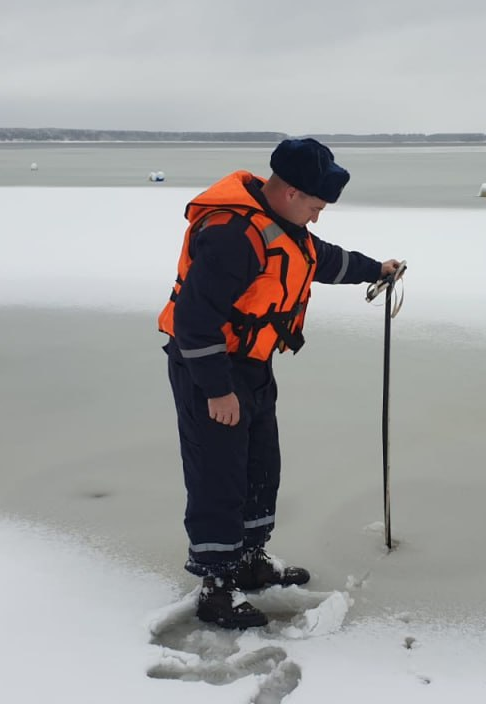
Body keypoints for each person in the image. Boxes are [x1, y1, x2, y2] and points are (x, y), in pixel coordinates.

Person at [158, 138, 401, 629]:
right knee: (218, 475)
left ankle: (249, 559)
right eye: (315, 206)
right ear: (291, 192)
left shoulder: (284, 227)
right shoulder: (232, 236)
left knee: (260, 465)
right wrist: (216, 390)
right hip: (209, 370)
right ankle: (216, 585)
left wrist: (376, 269)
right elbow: (194, 322)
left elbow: (322, 259)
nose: (317, 217)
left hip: (252, 365)